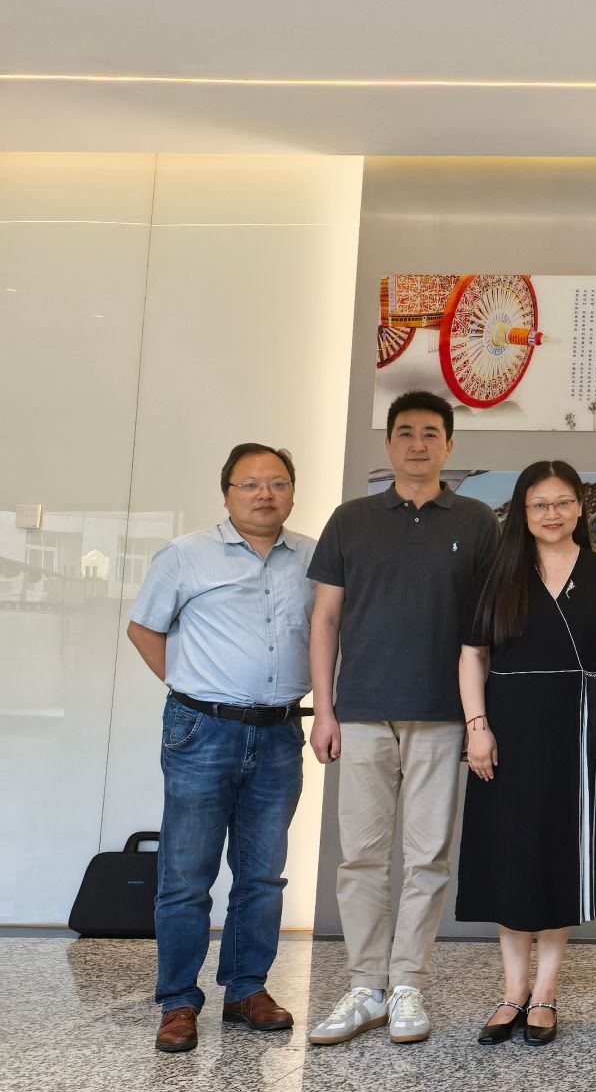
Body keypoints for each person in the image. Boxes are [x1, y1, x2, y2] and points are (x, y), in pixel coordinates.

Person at [305, 391, 499, 1047]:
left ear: (450, 446)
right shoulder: (350, 519)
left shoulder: (477, 522)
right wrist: (324, 710)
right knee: (360, 857)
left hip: (442, 716)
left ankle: (408, 982)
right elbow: (325, 618)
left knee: (427, 857)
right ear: (389, 444)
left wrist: (478, 718)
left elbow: (486, 631)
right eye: (406, 433)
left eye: (431, 434)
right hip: (361, 713)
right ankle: (366, 986)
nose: (418, 444)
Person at [127, 443, 315, 1053]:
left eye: (278, 483)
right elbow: (143, 628)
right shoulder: (186, 555)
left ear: (292, 491)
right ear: (227, 493)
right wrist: (191, 688)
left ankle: (246, 990)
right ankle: (178, 1001)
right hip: (201, 731)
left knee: (262, 875)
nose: (265, 494)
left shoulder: (313, 558)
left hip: (280, 732)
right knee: (187, 875)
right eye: (250, 484)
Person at [455, 461, 596, 1047]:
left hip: (577, 725)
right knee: (511, 854)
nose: (552, 514)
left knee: (559, 855)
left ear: (581, 507)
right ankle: (512, 991)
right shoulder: (498, 570)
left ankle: (546, 993)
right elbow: (472, 654)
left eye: (563, 502)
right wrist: (477, 727)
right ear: (522, 513)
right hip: (507, 725)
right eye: (539, 505)